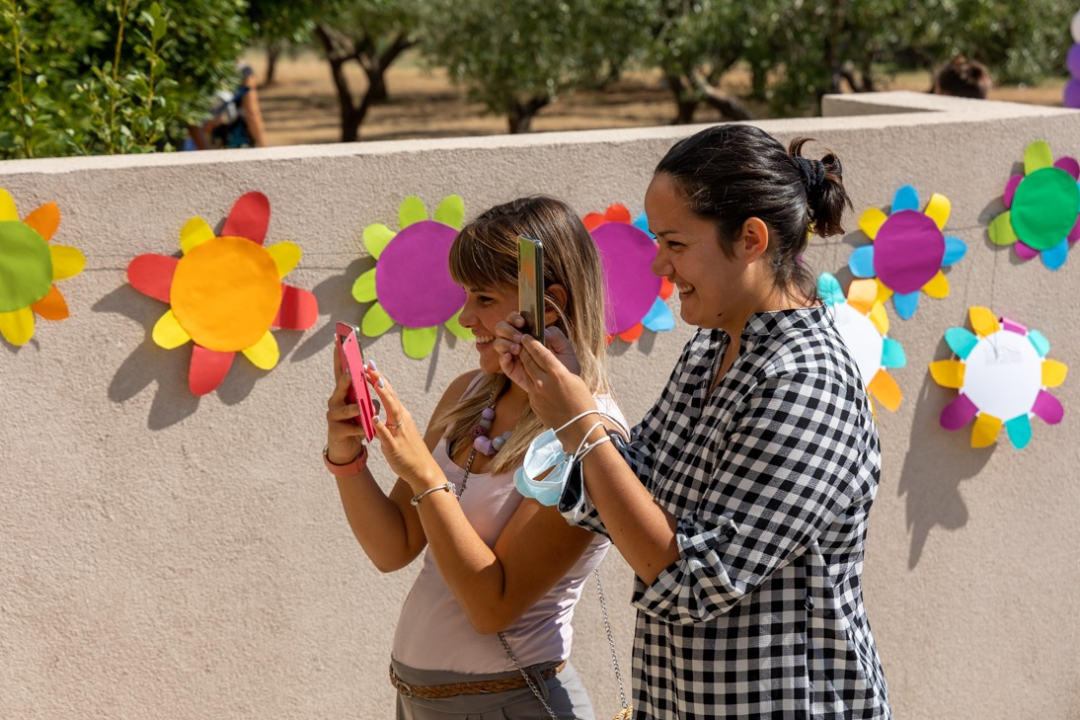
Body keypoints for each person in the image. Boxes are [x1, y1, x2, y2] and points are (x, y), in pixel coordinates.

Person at [494, 124, 892, 719]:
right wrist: (569, 385)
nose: (660, 264)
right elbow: (630, 489)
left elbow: (689, 580)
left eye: (676, 244)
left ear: (751, 238)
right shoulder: (712, 348)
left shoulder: (806, 381)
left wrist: (580, 422)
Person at [324, 196, 626, 719]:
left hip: (512, 704)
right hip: (420, 703)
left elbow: (492, 605)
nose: (465, 317)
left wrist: (421, 471)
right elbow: (392, 546)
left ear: (546, 304)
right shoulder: (472, 393)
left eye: (483, 297)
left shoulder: (586, 432)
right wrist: (347, 457)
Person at [187, 60, 268, 149]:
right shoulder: (243, 70)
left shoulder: (200, 66)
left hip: (206, 139)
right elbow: (252, 112)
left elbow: (195, 122)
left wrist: (206, 150)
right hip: (236, 140)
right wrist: (264, 149)